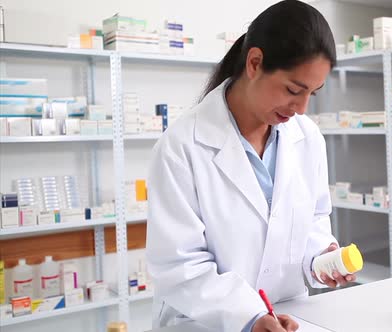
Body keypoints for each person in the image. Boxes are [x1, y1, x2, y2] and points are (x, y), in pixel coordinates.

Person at [146, 1, 356, 331]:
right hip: (205, 324)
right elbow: (180, 266)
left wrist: (322, 257)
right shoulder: (182, 146)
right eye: (293, 90)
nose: (300, 108)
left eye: (312, 94)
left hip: (293, 316)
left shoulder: (307, 137)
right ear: (255, 62)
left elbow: (314, 218)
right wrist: (251, 318)